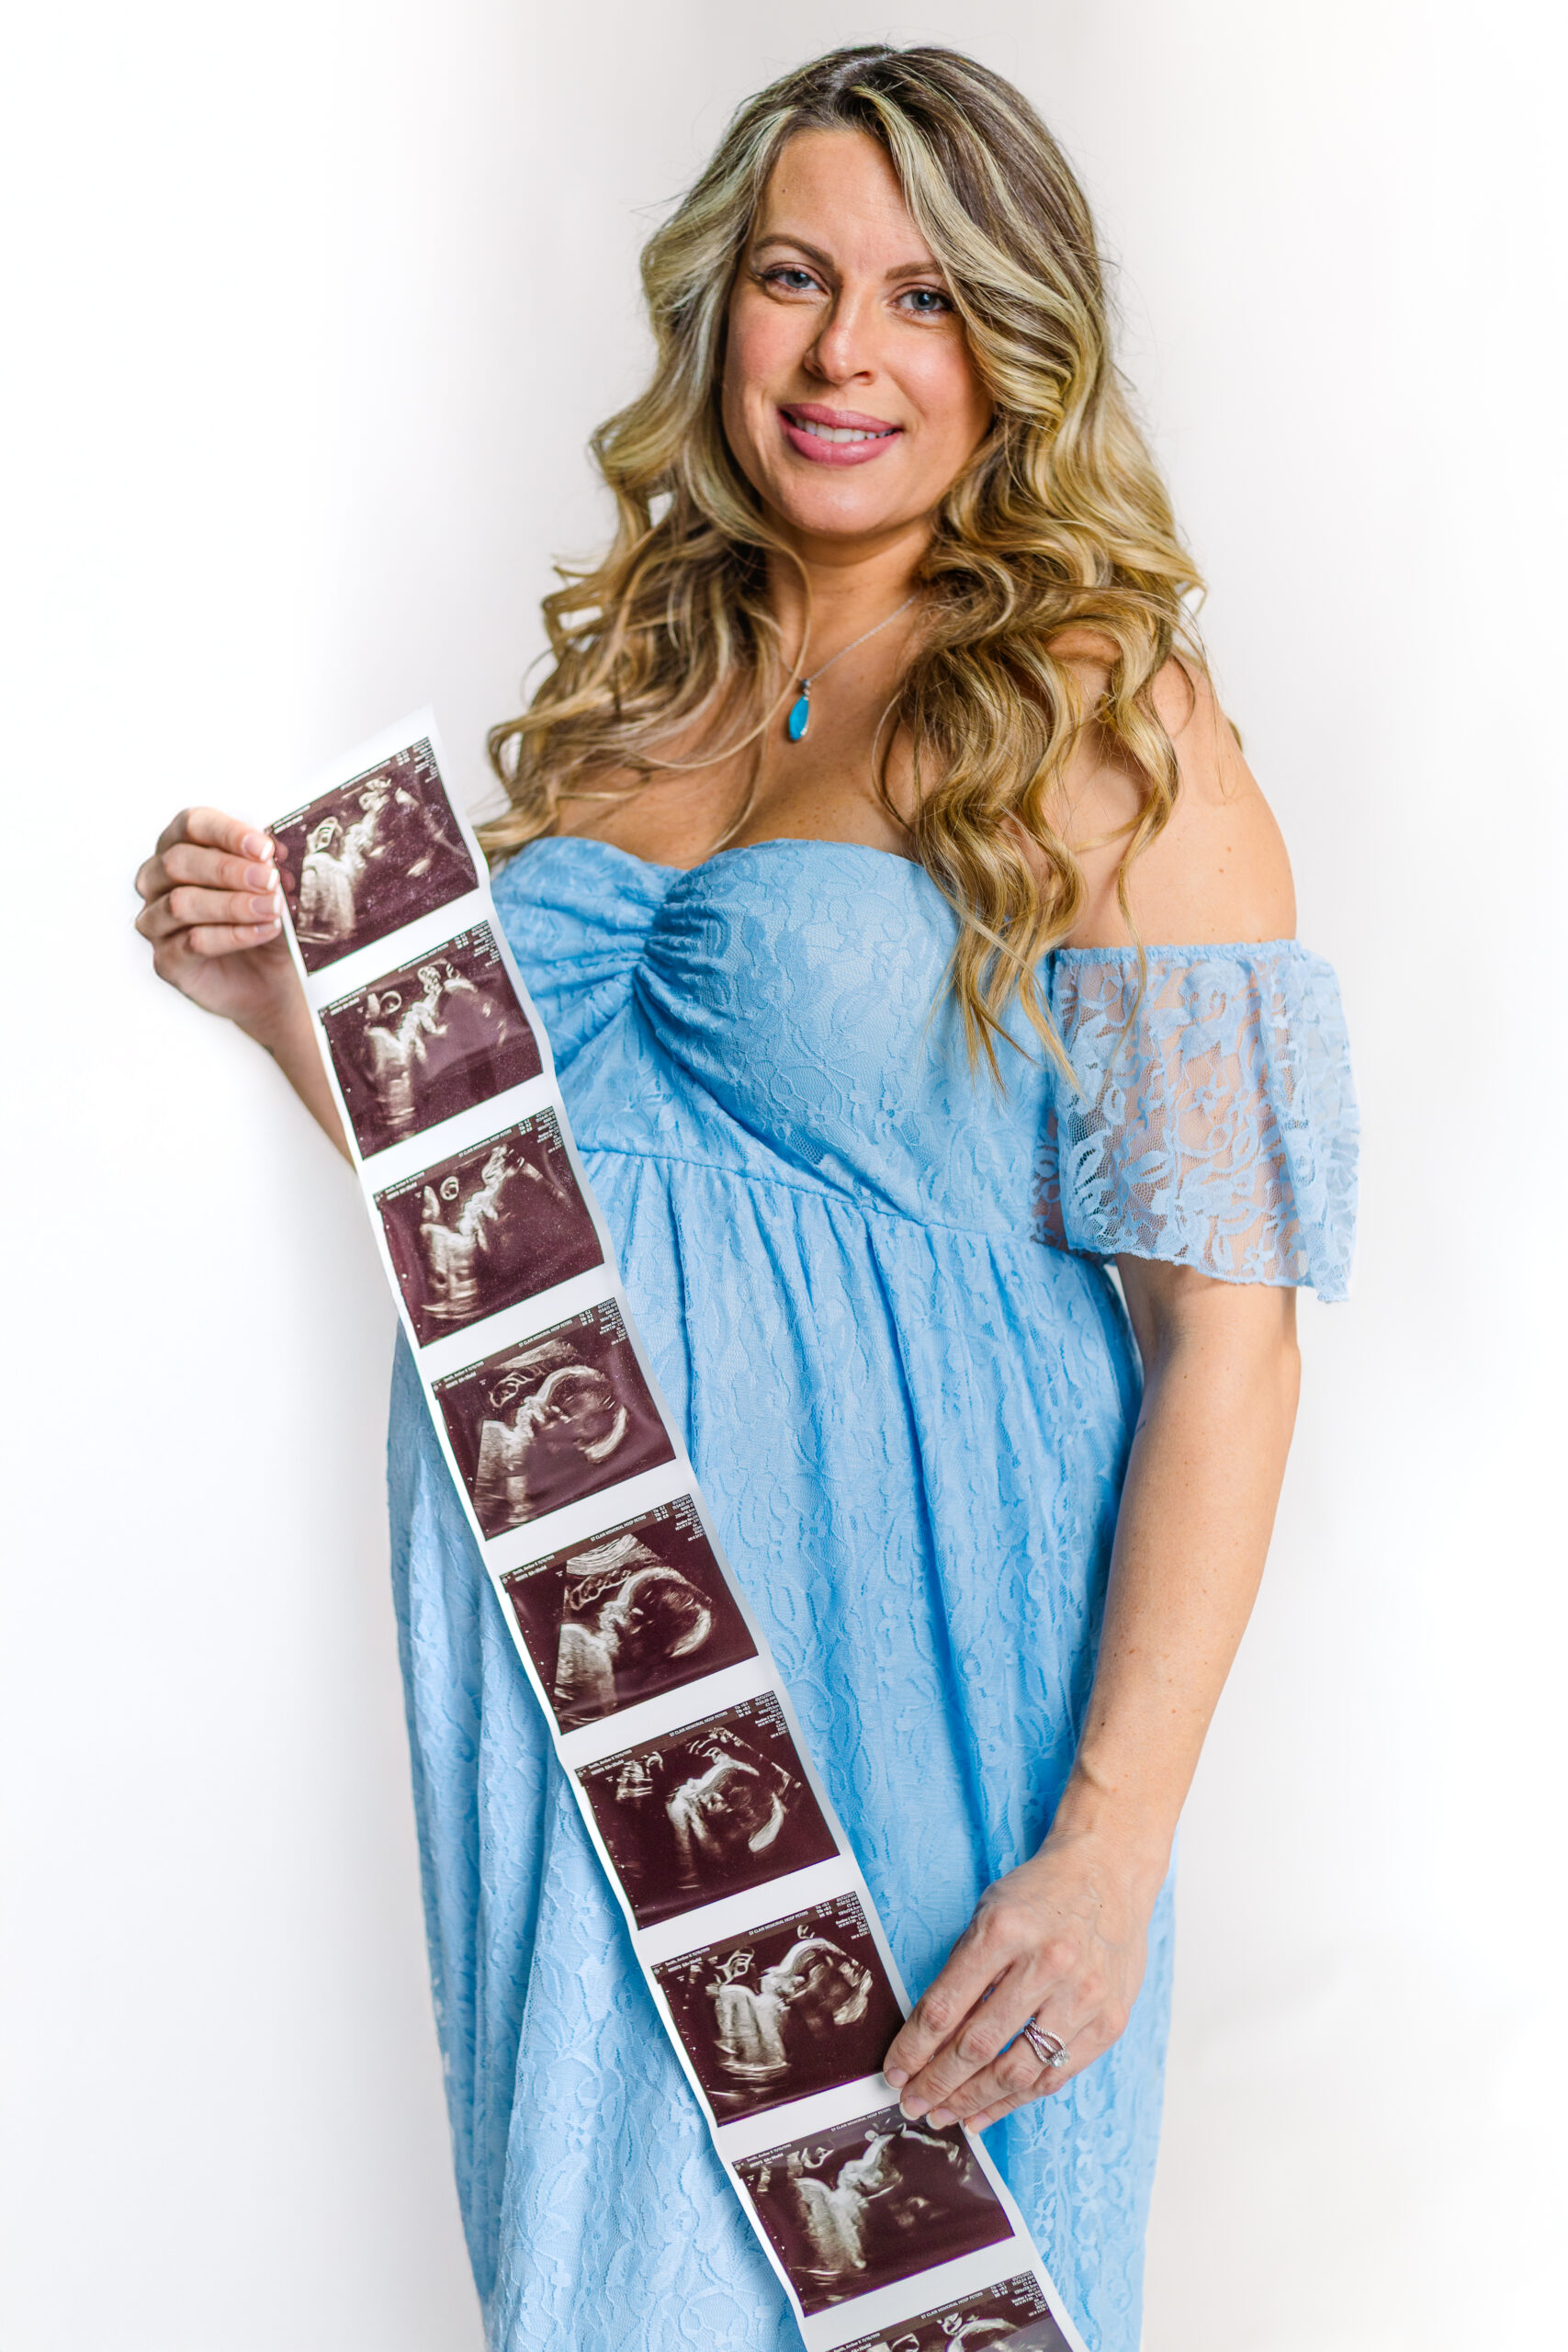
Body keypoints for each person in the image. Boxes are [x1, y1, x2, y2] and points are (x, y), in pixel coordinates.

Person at [130, 42, 1358, 2352]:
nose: (839, 352)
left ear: (1018, 343)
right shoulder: (634, 696)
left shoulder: (1114, 718)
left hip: (912, 1714)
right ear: (718, 311)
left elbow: (1233, 1334)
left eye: (917, 295)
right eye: (792, 277)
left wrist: (1104, 1850)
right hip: (579, 1675)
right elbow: (538, 1228)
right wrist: (298, 1007)